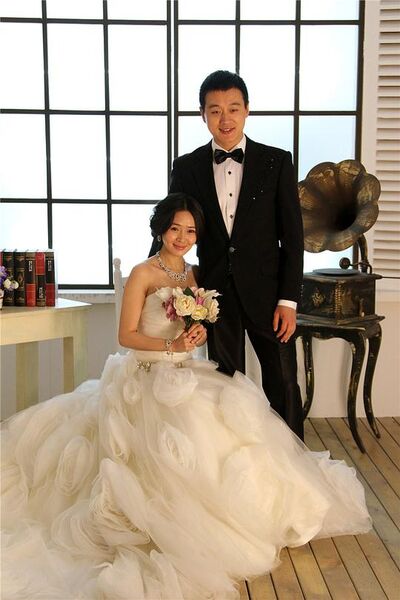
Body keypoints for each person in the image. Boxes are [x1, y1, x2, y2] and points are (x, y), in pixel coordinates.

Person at [1, 193, 371, 600]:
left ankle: (248, 515)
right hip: (144, 378)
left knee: (229, 427)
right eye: (175, 228)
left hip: (186, 373)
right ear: (161, 229)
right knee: (172, 444)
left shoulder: (194, 275)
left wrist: (197, 333)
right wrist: (171, 347)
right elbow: (126, 336)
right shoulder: (143, 273)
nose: (182, 237)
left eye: (191, 231)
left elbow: (196, 326)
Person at [166, 70, 305, 440]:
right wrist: (158, 280)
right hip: (214, 297)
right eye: (214, 110)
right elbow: (171, 229)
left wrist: (288, 301)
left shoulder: (277, 162)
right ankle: (235, 460)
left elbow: (293, 239)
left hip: (270, 297)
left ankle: (298, 462)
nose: (224, 118)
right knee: (224, 386)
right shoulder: (187, 167)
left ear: (247, 110)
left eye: (233, 108)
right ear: (202, 114)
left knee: (283, 383)